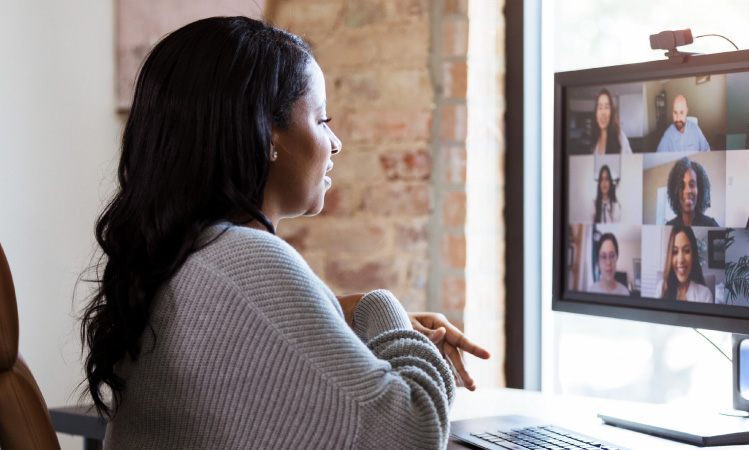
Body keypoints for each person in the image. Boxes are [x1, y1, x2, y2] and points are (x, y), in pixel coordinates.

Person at [80, 17, 489, 450]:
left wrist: (332, 311)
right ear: (267, 133)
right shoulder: (243, 257)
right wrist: (379, 306)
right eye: (321, 118)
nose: (335, 143)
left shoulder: (178, 257)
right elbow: (412, 433)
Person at [655, 225, 713, 302]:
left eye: (686, 251)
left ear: (693, 255)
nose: (681, 260)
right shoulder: (661, 289)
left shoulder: (705, 295)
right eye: (675, 252)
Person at [665, 157, 719, 227]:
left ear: (699, 189)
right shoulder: (669, 226)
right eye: (682, 186)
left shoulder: (711, 225)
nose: (687, 191)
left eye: (692, 185)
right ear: (675, 191)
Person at [591, 89, 632, 154]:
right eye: (600, 108)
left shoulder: (620, 137)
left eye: (606, 107)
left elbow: (630, 162)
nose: (603, 112)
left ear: (611, 112)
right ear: (596, 114)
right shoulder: (595, 139)